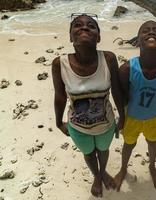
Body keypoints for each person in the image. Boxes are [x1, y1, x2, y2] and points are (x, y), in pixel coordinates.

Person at [52, 13, 124, 197]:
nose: (84, 28)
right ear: (70, 36)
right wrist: (58, 122)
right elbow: (60, 96)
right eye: (77, 25)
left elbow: (116, 91)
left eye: (91, 26)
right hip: (78, 127)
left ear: (98, 37)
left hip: (106, 124)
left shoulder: (108, 58)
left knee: (103, 150)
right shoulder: (59, 64)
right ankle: (97, 177)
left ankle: (101, 173)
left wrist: (122, 117)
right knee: (89, 153)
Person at [114, 20, 156, 190]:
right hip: (132, 117)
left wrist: (154, 106)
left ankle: (152, 166)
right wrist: (122, 117)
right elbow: (122, 96)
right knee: (129, 143)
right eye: (146, 31)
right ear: (137, 41)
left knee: (152, 141)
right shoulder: (127, 69)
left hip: (154, 116)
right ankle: (123, 168)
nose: (151, 32)